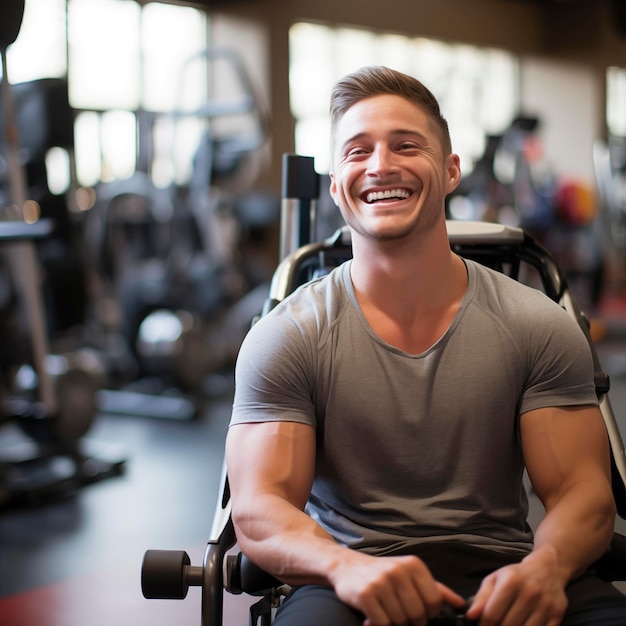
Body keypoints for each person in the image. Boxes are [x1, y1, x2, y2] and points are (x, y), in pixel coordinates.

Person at [225, 65, 626, 626]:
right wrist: (343, 567)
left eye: (405, 145)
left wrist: (548, 566)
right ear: (337, 185)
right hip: (346, 581)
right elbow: (260, 508)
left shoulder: (535, 323)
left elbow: (582, 492)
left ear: (450, 169)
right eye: (357, 152)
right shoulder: (290, 335)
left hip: (508, 569)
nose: (381, 165)